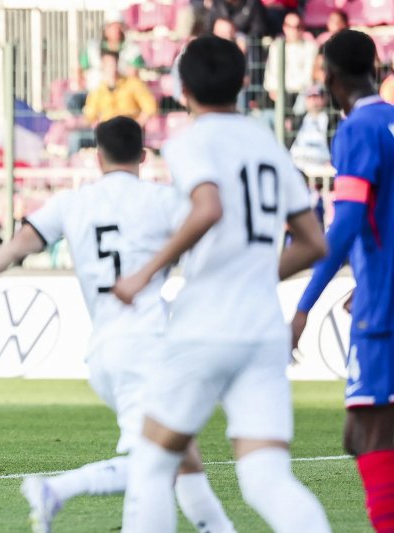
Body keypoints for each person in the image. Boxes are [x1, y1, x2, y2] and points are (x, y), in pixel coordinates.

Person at [0, 116, 234, 533]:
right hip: (147, 345)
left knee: (185, 456)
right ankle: (57, 489)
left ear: (98, 157)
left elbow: (20, 245)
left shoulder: (71, 202)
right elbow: (212, 236)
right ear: (144, 156)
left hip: (104, 352)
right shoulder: (163, 200)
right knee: (155, 465)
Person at [112, 36, 330, 532]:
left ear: (182, 88)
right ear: (242, 83)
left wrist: (145, 274)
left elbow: (208, 207)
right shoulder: (267, 141)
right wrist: (255, 273)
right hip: (263, 329)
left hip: (206, 324)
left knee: (152, 463)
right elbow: (315, 242)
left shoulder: (191, 140)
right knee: (266, 478)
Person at [291, 30, 394, 533]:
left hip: (384, 313)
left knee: (367, 433)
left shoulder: (357, 129)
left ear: (329, 77)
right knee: (363, 433)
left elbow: (348, 222)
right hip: (381, 291)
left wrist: (304, 305)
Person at [82, 51, 156, 127]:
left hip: (128, 129)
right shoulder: (97, 90)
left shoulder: (133, 84)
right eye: (109, 65)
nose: (113, 69)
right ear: (103, 67)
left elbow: (150, 107)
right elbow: (90, 115)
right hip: (108, 130)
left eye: (115, 64)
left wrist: (137, 124)